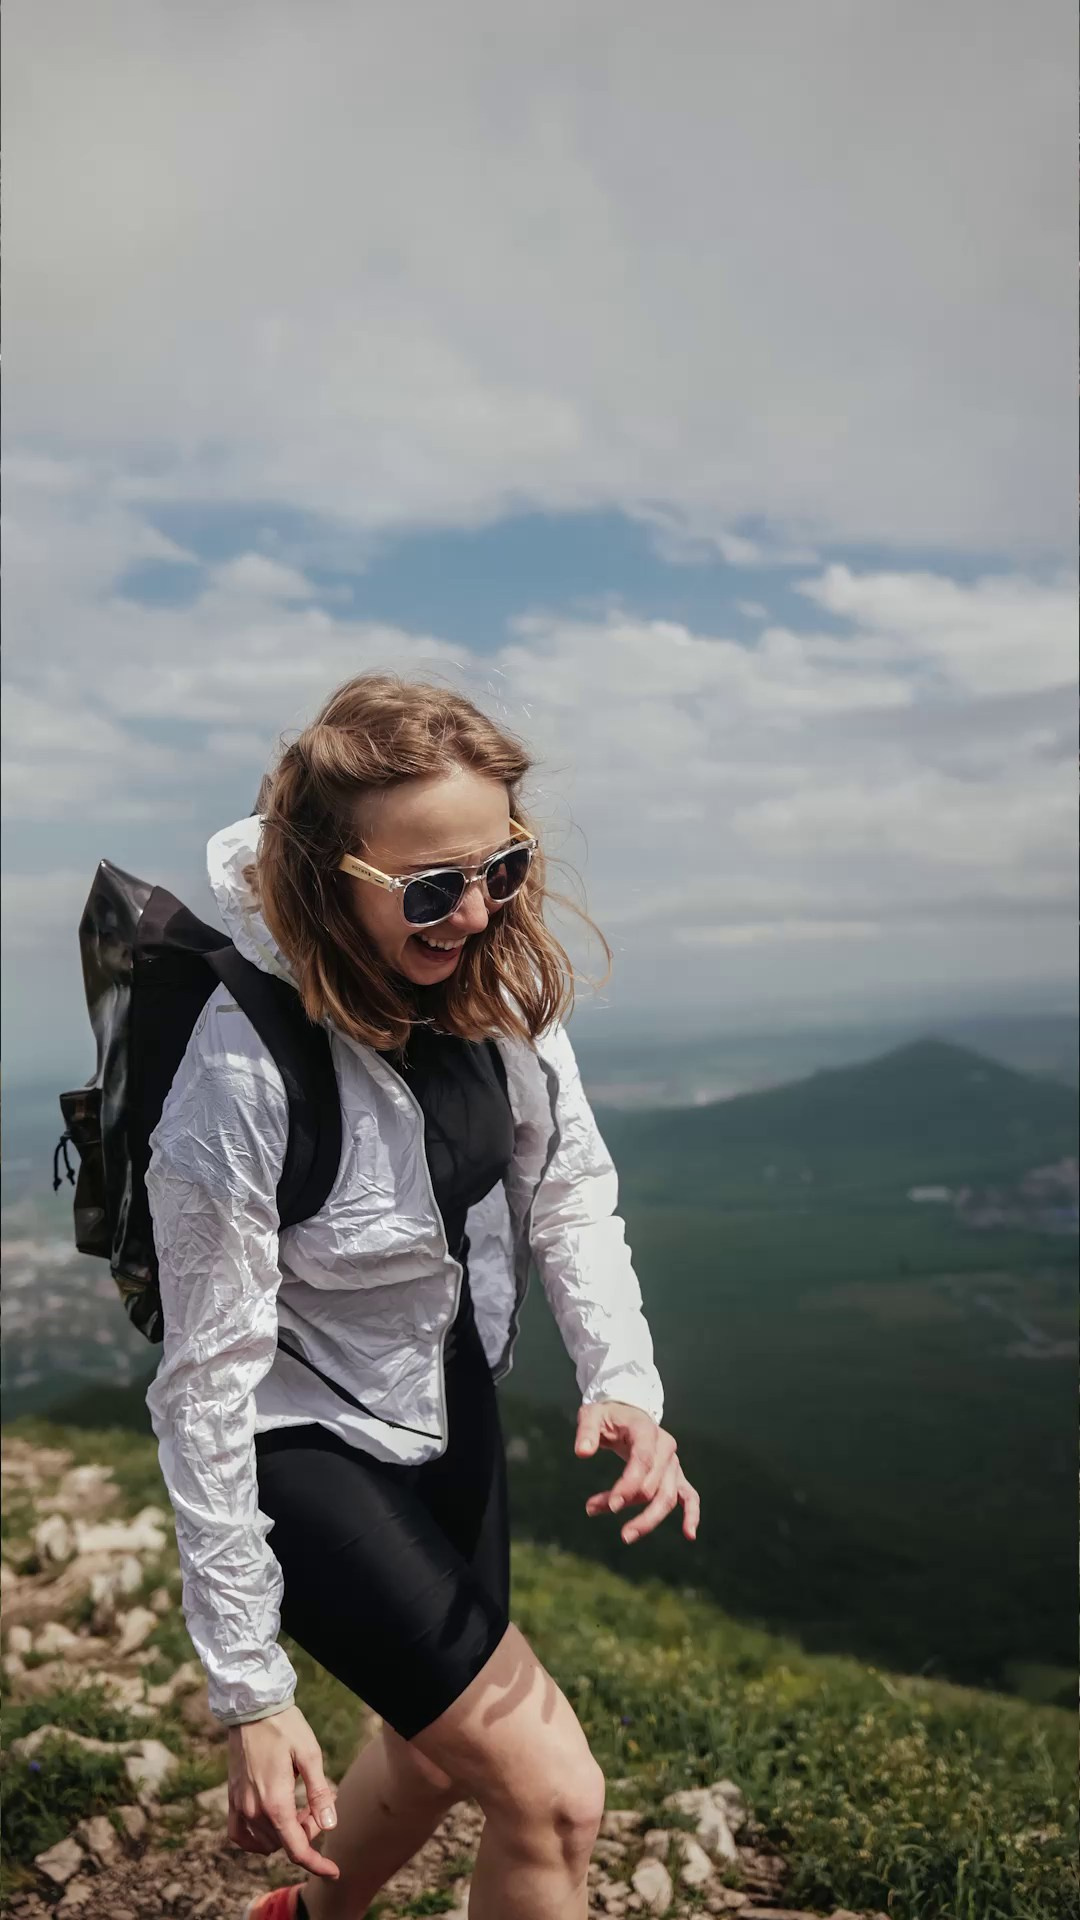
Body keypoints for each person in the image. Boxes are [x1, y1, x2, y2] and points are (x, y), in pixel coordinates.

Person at [145, 672, 700, 1920]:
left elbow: (569, 1195)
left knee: (446, 1746)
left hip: (443, 1403)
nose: (480, 911)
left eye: (502, 866)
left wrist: (624, 1384)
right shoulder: (241, 1071)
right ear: (329, 873)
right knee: (554, 1797)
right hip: (295, 1438)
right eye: (433, 889)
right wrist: (252, 1691)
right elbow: (204, 1389)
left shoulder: (495, 982)